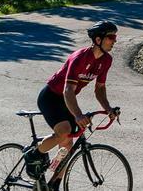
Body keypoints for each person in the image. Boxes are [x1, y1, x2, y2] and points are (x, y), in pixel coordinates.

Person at [23, 21, 121, 187]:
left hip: (67, 99)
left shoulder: (106, 60)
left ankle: (54, 184)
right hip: (51, 97)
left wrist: (108, 109)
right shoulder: (79, 58)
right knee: (64, 131)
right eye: (111, 37)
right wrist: (77, 114)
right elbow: (68, 90)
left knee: (67, 145)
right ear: (98, 40)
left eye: (115, 37)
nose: (114, 41)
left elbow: (100, 90)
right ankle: (33, 154)